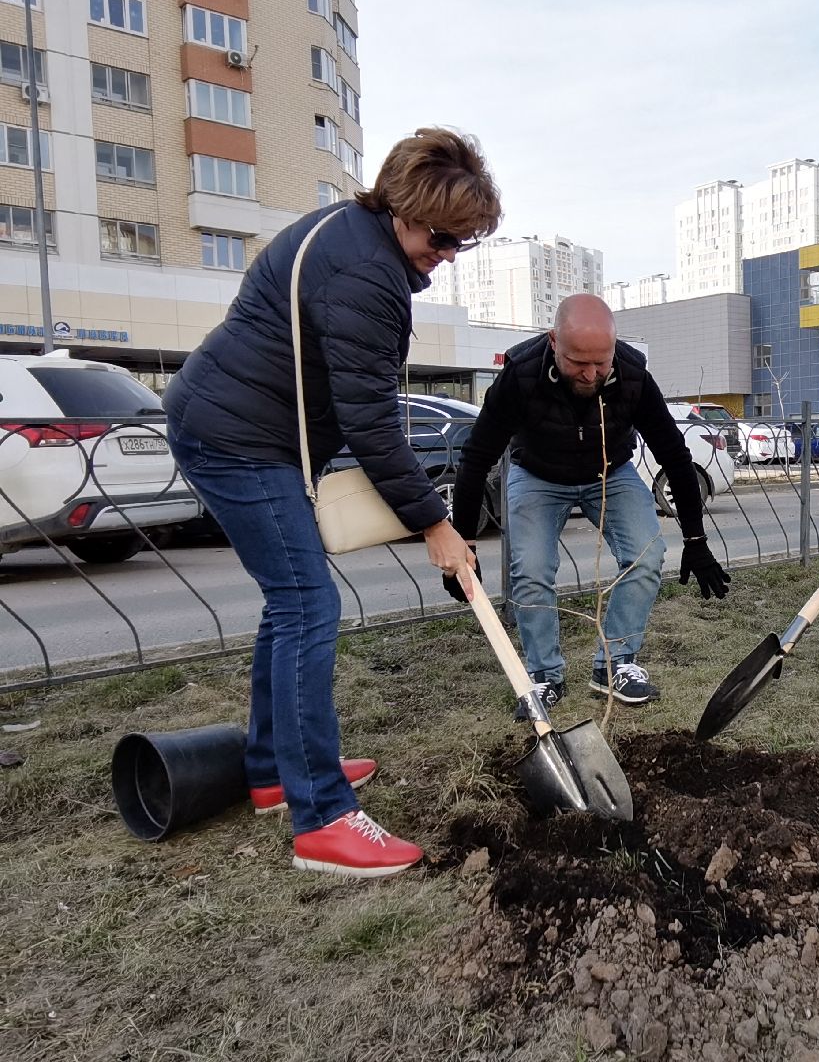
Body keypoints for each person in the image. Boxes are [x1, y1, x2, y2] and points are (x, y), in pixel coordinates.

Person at [164, 128, 502, 876]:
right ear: (403, 208)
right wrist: (437, 526)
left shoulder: (352, 237)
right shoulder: (364, 277)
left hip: (242, 426)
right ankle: (321, 815)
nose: (446, 256)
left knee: (289, 603)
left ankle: (270, 772)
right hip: (236, 436)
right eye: (442, 238)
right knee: (307, 606)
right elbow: (373, 426)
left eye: (461, 244)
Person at [446, 294, 730, 710]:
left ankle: (615, 665)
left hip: (609, 473)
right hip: (537, 476)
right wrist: (464, 543)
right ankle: (544, 676)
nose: (591, 373)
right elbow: (475, 459)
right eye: (579, 361)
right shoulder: (520, 376)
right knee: (531, 571)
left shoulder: (632, 376)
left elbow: (674, 454)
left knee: (646, 556)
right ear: (553, 341)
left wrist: (695, 539)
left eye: (602, 361)